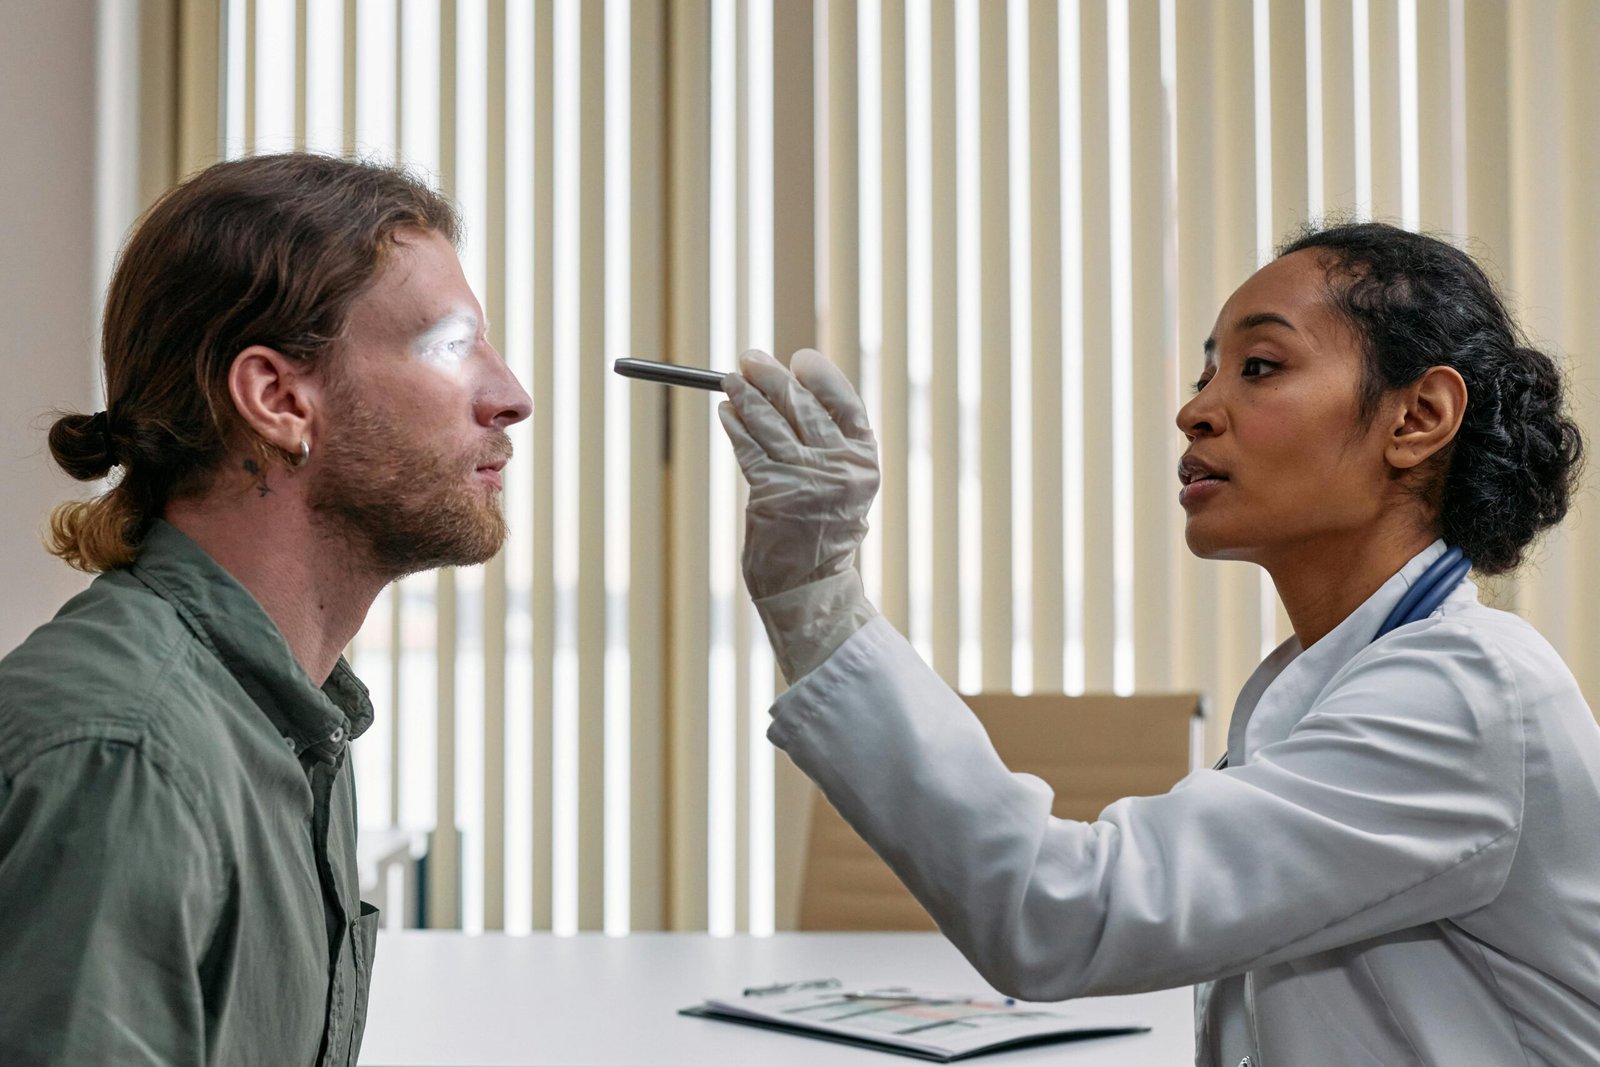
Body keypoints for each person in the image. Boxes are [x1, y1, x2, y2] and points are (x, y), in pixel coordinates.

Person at [718, 223, 1600, 1065]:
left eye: (1260, 366)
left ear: (1418, 417)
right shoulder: (1340, 678)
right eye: (1206, 372)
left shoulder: (1467, 692)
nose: (1193, 411)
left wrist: (819, 599)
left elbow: (1064, 912)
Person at [0, 153, 532, 1065]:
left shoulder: (291, 717)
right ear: (279, 400)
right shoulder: (125, 757)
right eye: (452, 346)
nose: (510, 398)